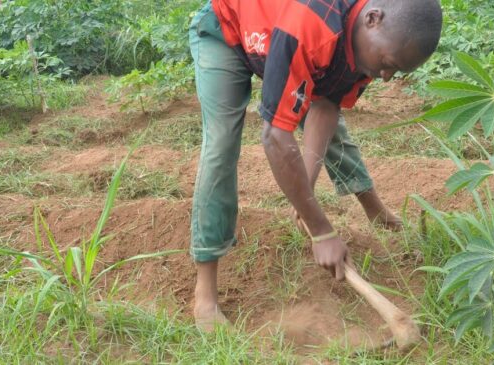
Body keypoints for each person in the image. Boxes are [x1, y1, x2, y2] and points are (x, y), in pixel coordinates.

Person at [188, 0, 442, 329]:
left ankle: (374, 209)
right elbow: (275, 138)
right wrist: (322, 231)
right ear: (372, 19)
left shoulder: (371, 48)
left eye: (396, 71)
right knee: (221, 145)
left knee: (329, 130)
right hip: (227, 30)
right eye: (388, 64)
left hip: (279, 39)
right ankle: (205, 294)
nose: (385, 75)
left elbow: (324, 105)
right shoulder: (312, 23)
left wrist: (303, 191)